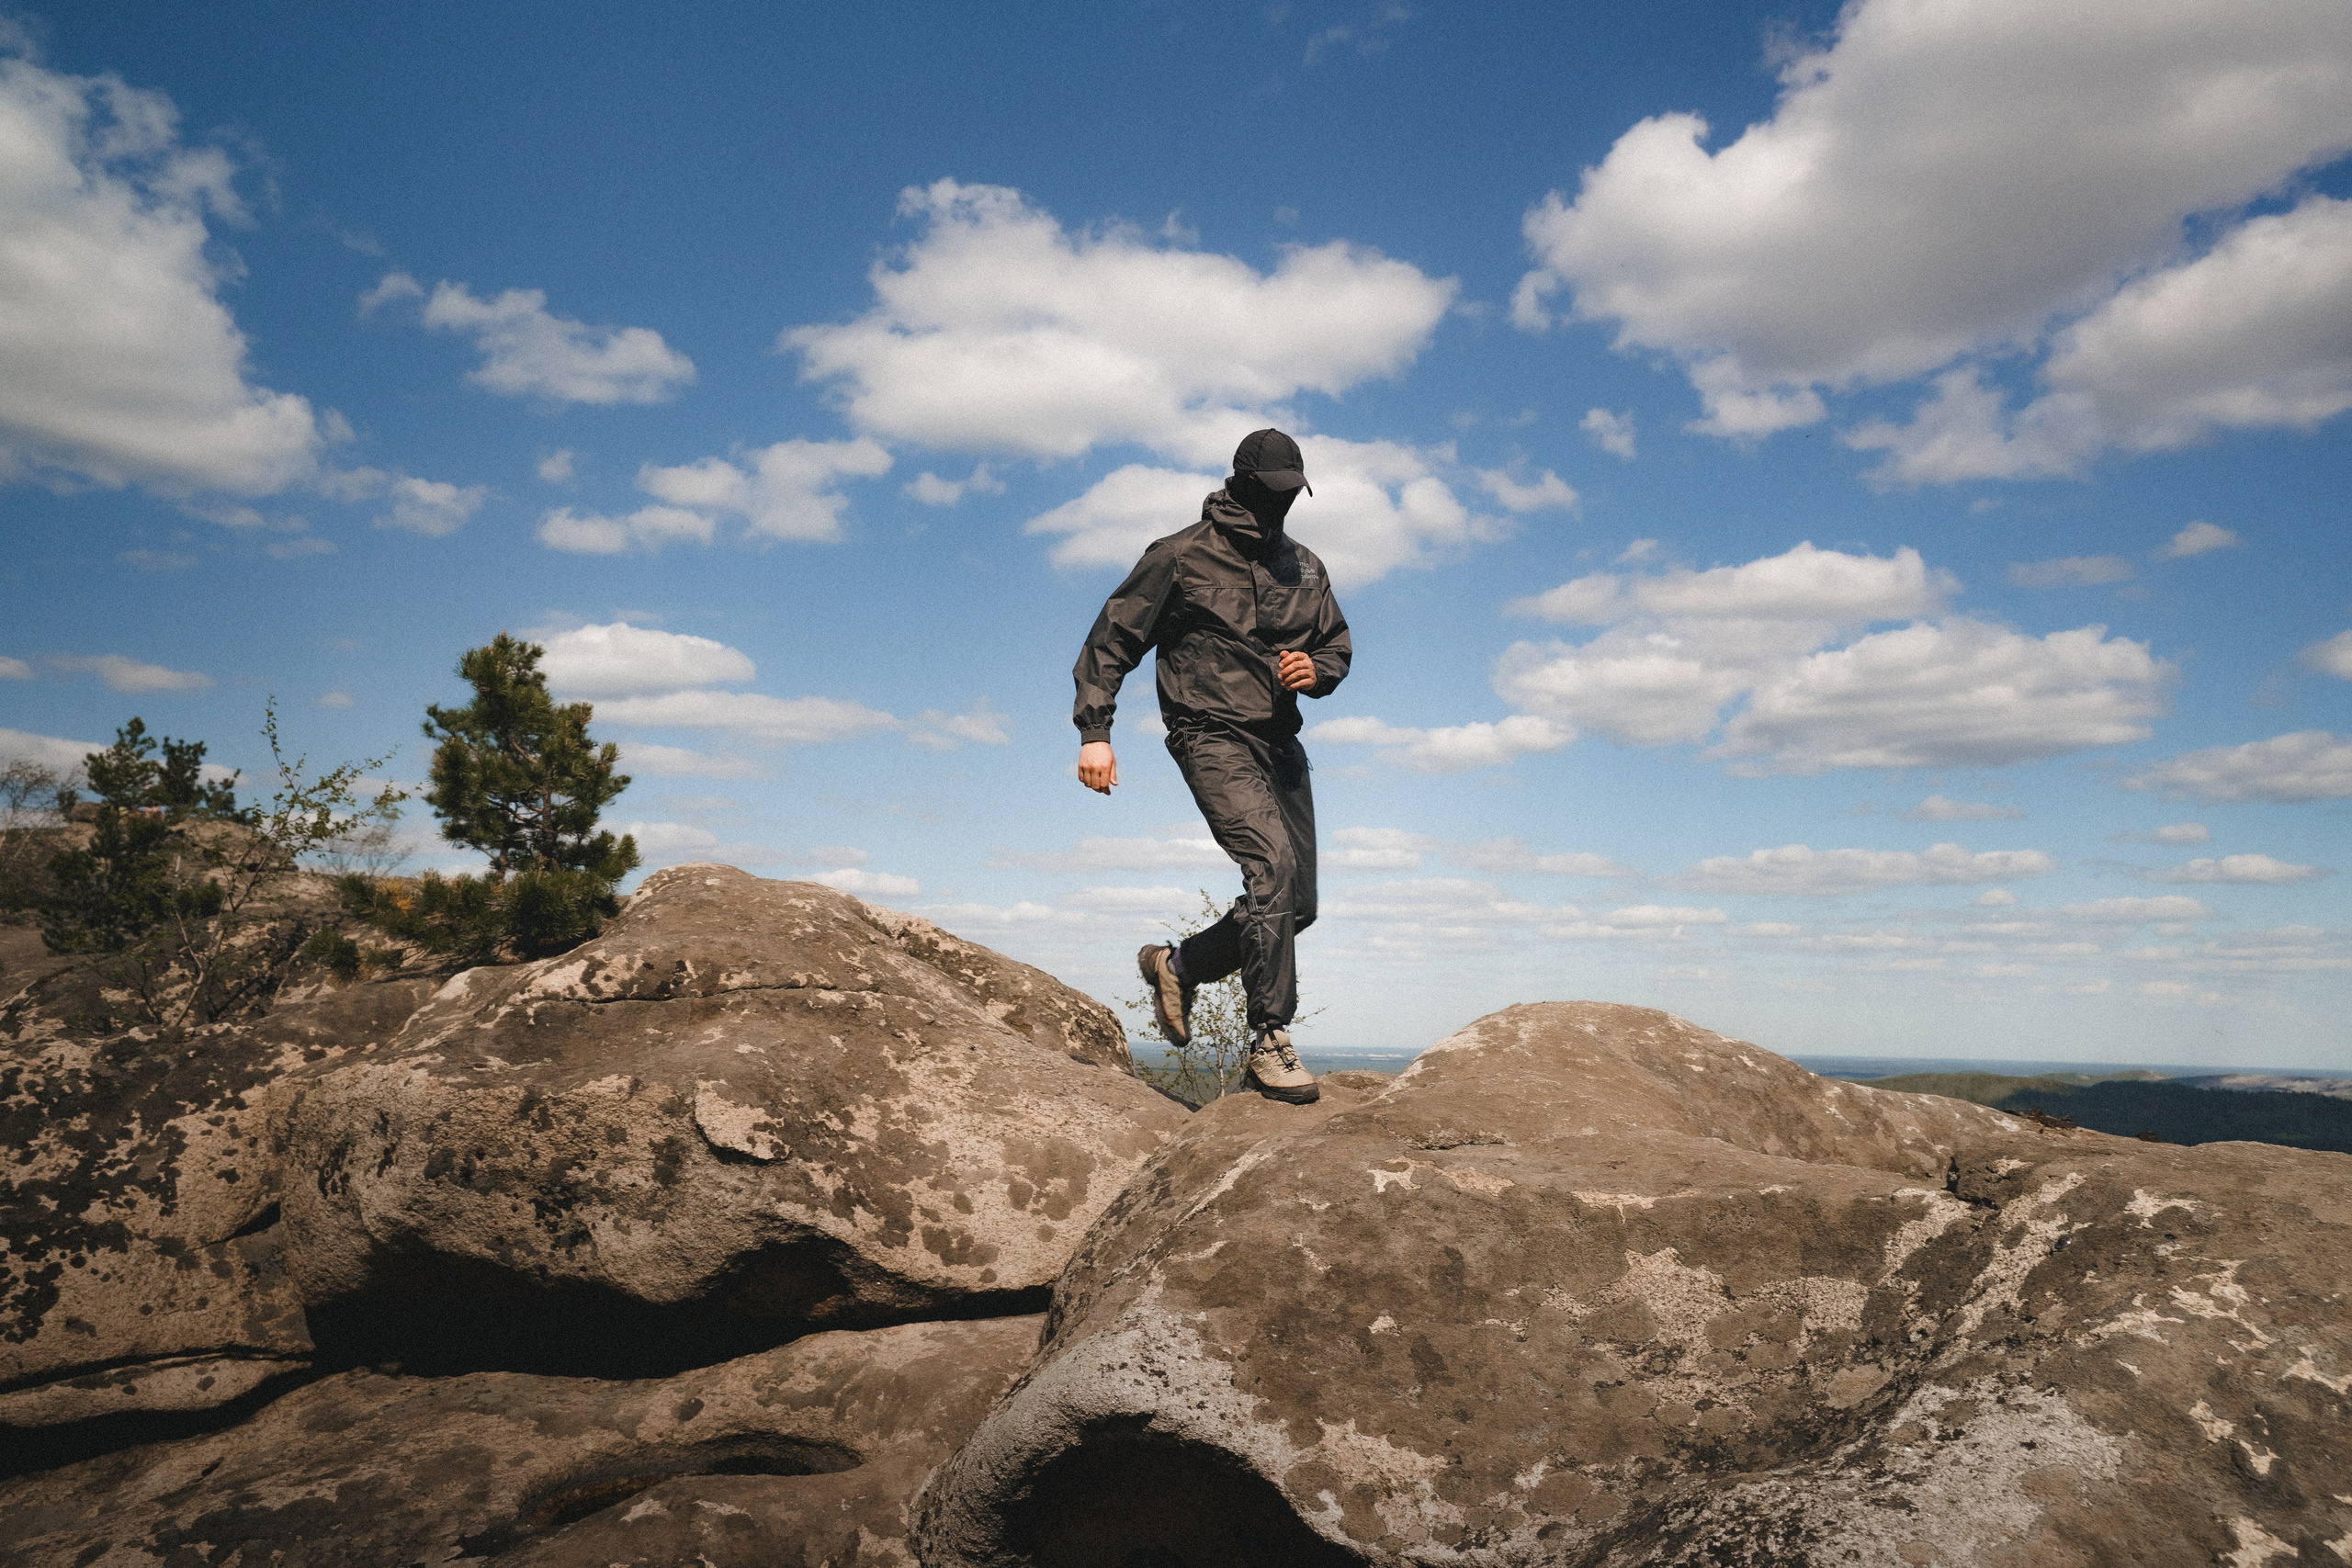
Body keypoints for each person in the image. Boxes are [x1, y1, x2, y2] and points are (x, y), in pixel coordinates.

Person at [1071, 428, 1351, 1103]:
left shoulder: (1306, 567)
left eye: (1294, 493)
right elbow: (1111, 641)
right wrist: (1095, 732)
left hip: (1280, 742)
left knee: (1297, 905)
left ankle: (1178, 964)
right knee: (1271, 869)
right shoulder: (1180, 556)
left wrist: (1317, 669)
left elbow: (1337, 645)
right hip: (1209, 732)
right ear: (1245, 484)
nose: (1284, 505)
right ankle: (1270, 1039)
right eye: (1275, 492)